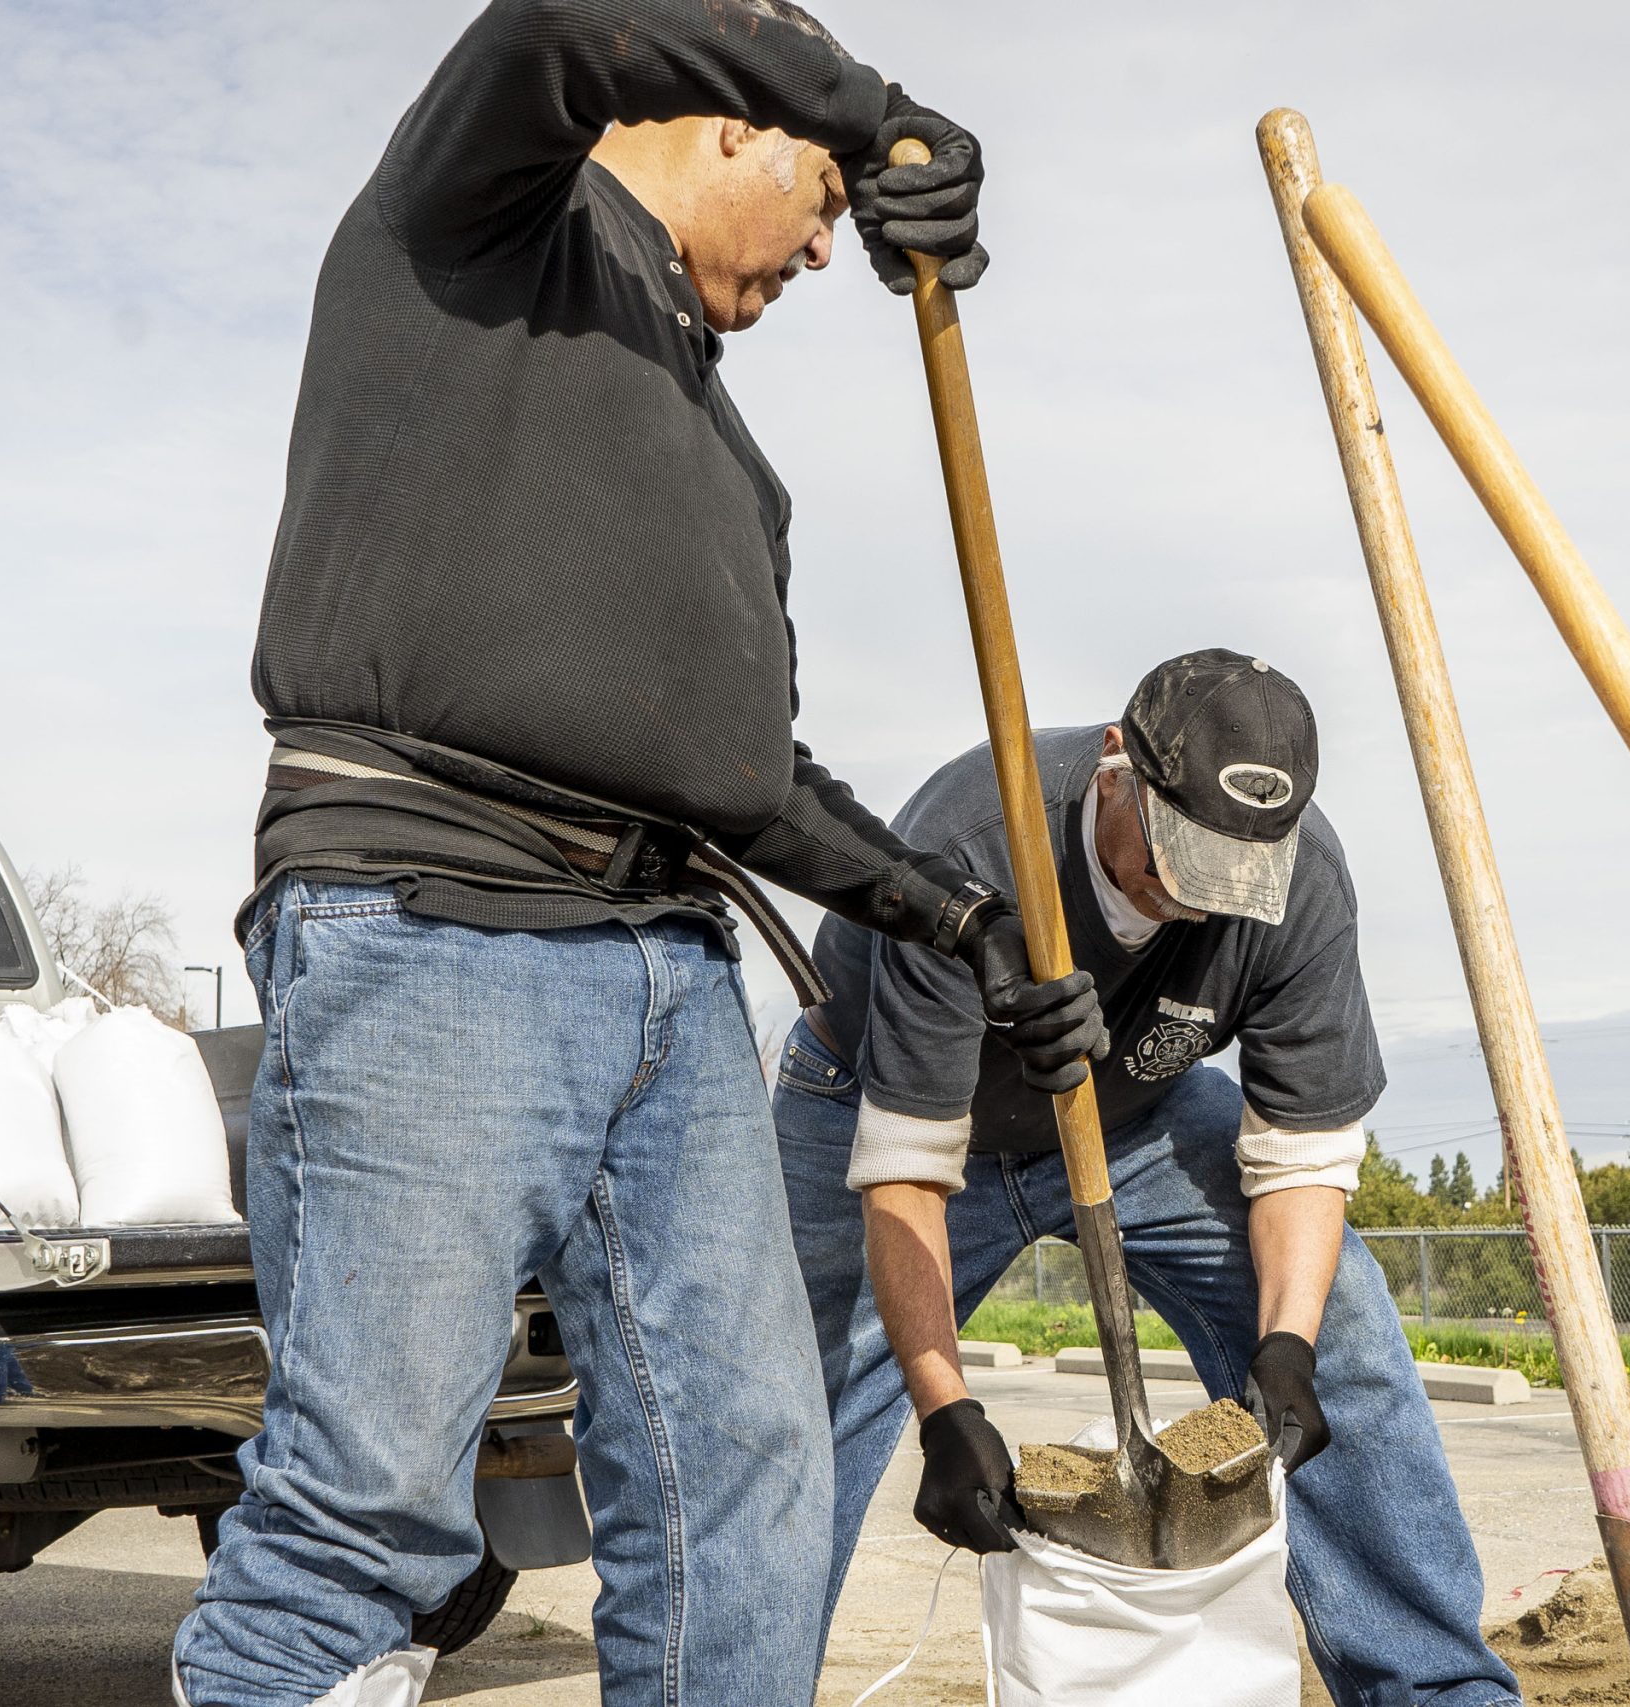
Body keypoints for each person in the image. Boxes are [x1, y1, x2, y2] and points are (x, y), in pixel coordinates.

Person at [173, 5, 1106, 1705]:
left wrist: (957, 918)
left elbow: (747, 777)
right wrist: (882, 112)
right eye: (824, 191)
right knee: (369, 1512)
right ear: (733, 117)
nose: (836, 243)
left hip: (670, 969)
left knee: (747, 1477)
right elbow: (564, 19)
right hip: (433, 928)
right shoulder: (479, 223)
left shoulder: (736, 470)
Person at [777, 650, 1525, 1707]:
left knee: (1343, 1327)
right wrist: (943, 1407)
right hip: (871, 1104)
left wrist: (1288, 1348)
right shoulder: (974, 844)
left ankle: (1435, 1689)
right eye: (1174, 859)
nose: (1188, 900)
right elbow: (904, 1172)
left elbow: (1302, 1156)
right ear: (1119, 765)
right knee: (785, 1411)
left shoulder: (1300, 883)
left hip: (1132, 1112)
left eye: (1225, 873)